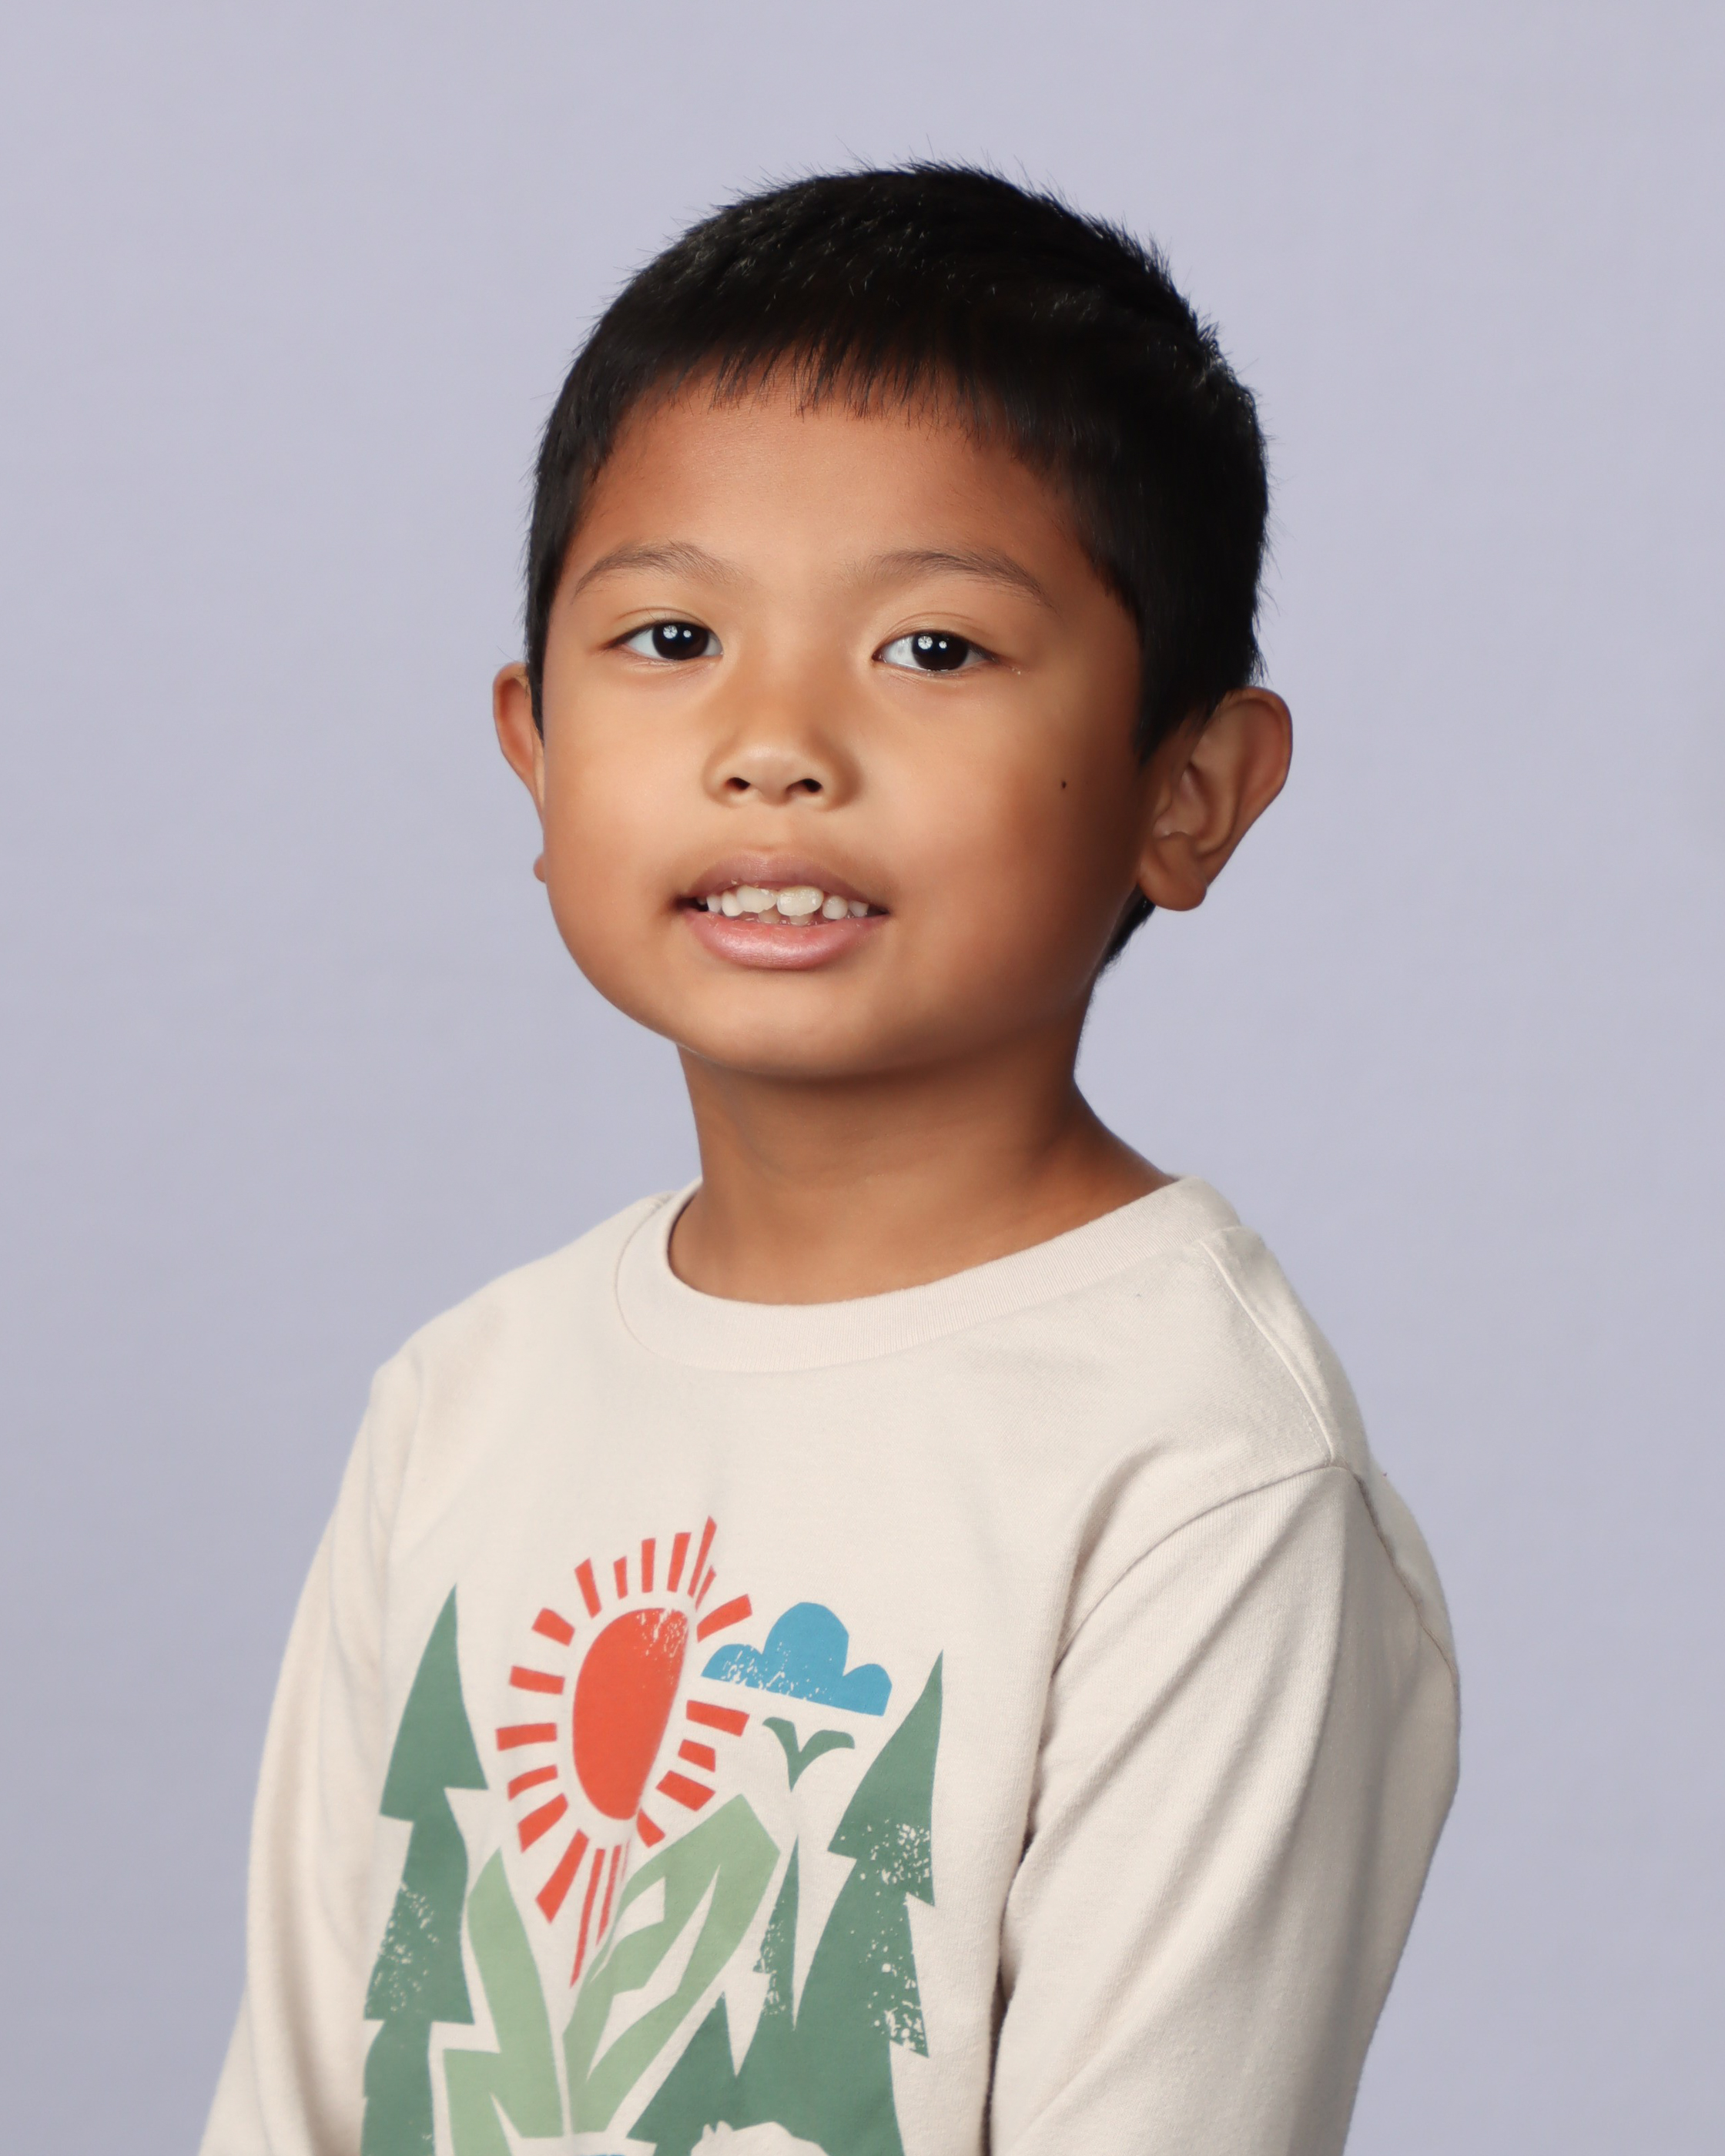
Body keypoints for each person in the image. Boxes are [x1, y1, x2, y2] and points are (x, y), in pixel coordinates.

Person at [202, 166, 1458, 2156]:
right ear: (536, 752)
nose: (775, 740)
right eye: (672, 633)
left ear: (1190, 790)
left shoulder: (1203, 1477)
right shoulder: (459, 1405)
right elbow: (294, 2099)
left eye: (934, 650)